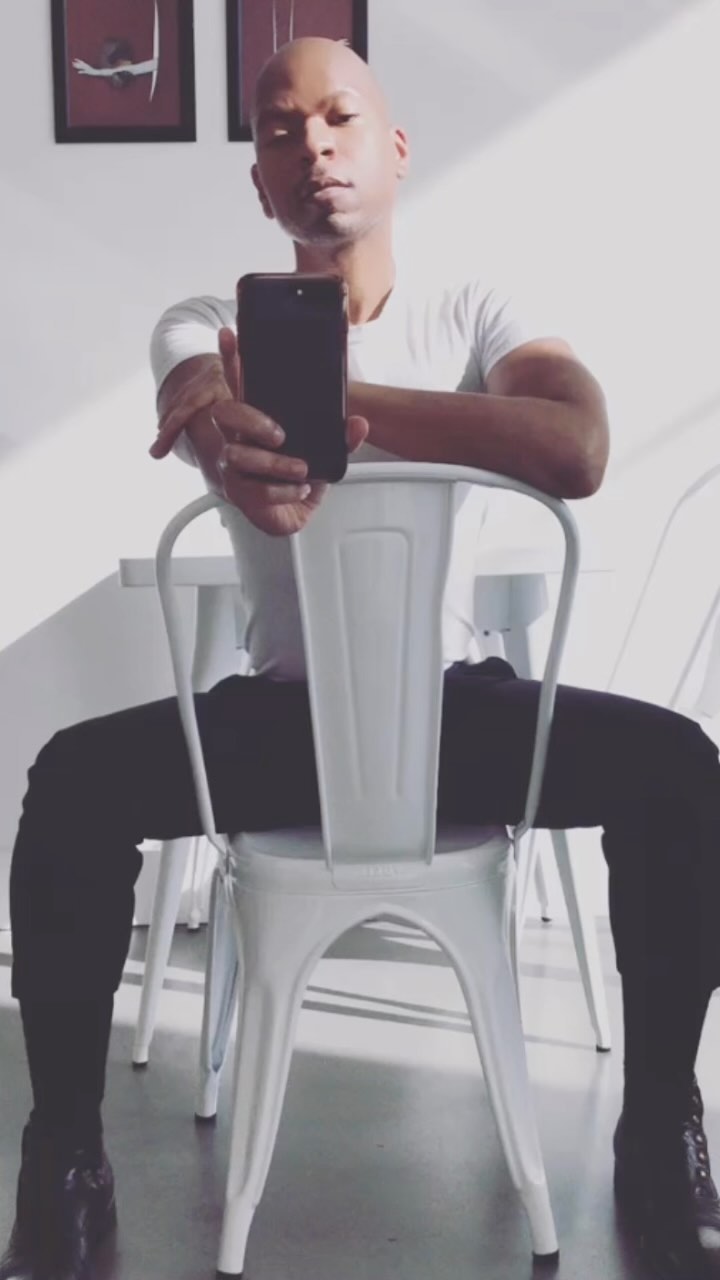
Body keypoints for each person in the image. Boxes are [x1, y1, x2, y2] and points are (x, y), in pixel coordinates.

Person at [2, 35, 720, 1280]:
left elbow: (578, 445)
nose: (313, 146)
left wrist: (346, 415)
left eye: (339, 119)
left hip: (458, 720)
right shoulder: (208, 321)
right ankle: (63, 1149)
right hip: (284, 727)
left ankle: (661, 1125)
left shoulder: (474, 313)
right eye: (281, 130)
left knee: (681, 769)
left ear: (394, 149)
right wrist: (223, 438)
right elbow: (194, 399)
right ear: (259, 184)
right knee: (70, 778)